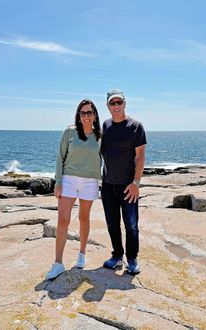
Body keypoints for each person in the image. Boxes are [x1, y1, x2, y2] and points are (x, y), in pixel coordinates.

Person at [46, 99, 102, 280]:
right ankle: (58, 263)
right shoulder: (69, 132)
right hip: (69, 180)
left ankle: (82, 253)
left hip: (89, 182)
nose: (86, 116)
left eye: (89, 113)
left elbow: (109, 158)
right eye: (82, 113)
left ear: (95, 115)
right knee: (63, 220)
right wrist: (58, 181)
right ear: (78, 115)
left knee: (84, 218)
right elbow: (60, 157)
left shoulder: (100, 136)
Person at [101, 89, 147, 275]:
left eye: (119, 102)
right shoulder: (105, 126)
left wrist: (136, 182)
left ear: (125, 104)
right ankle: (117, 256)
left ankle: (132, 259)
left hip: (128, 186)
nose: (116, 106)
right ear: (108, 106)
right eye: (113, 103)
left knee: (131, 226)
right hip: (108, 185)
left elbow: (141, 156)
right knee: (112, 224)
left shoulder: (136, 126)